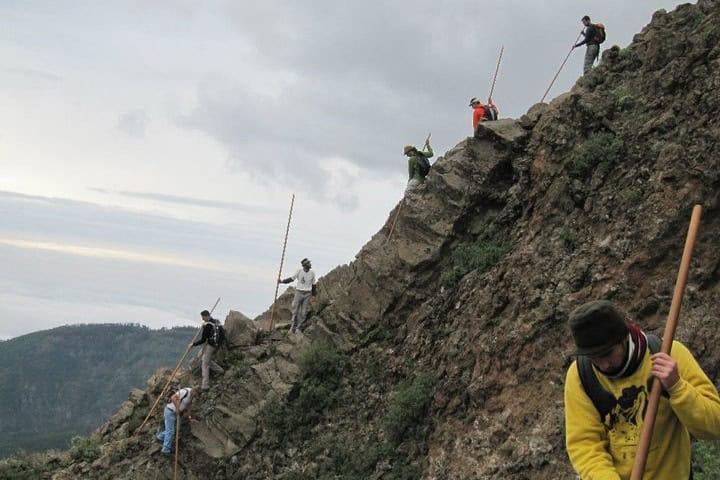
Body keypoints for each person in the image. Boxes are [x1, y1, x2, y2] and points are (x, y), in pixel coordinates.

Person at [564, 300, 720, 479]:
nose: (604, 365)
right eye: (593, 357)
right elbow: (585, 446)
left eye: (607, 354)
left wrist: (677, 387)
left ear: (624, 338)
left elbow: (715, 425)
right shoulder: (580, 376)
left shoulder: (669, 355)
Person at [156, 386, 199, 456]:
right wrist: (177, 408)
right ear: (193, 390)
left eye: (196, 396)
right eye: (195, 394)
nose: (195, 396)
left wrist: (190, 417)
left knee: (171, 430)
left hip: (175, 414)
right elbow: (173, 398)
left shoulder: (191, 397)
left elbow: (188, 407)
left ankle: (160, 437)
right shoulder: (185, 392)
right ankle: (165, 450)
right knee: (171, 431)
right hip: (169, 411)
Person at [278, 258, 317, 333]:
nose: (310, 264)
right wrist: (282, 281)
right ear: (305, 265)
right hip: (299, 292)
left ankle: (298, 328)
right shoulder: (299, 271)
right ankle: (292, 327)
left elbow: (314, 285)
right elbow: (292, 279)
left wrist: (313, 296)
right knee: (295, 309)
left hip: (307, 293)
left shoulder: (312, 273)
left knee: (303, 312)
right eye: (309, 263)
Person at [192, 310, 225, 391]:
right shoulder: (217, 322)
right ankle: (220, 370)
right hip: (218, 345)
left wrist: (193, 344)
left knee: (205, 364)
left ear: (206, 316)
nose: (203, 319)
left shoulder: (208, 326)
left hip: (211, 345)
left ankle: (205, 385)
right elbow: (222, 334)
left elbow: (203, 340)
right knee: (205, 359)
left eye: (203, 317)